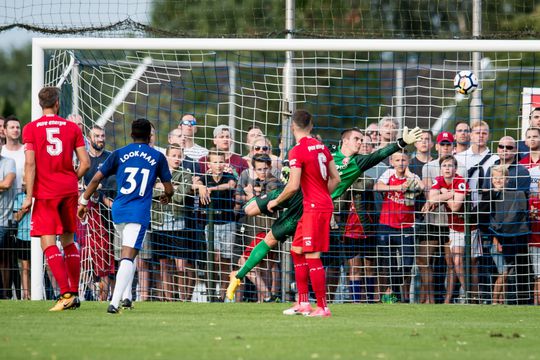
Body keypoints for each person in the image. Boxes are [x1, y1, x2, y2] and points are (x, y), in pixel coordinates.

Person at [225, 126, 422, 303]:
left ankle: (301, 299)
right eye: (357, 139)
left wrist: (402, 142)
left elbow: (380, 154)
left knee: (285, 246)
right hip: (294, 192)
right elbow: (302, 161)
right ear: (345, 141)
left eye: (362, 140)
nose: (361, 143)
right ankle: (309, 302)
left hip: (310, 206)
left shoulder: (358, 162)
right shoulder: (327, 153)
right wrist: (287, 169)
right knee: (249, 210)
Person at [78, 118, 173, 314]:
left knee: (128, 253)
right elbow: (169, 188)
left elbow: (96, 178)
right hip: (138, 213)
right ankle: (114, 302)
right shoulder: (157, 156)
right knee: (128, 257)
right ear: (149, 136)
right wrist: (167, 196)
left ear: (131, 134)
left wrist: (84, 201)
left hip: (118, 210)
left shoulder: (118, 153)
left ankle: (128, 296)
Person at [265, 110, 340, 317]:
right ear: (311, 125)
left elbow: (292, 186)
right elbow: (336, 179)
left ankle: (323, 307)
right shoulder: (322, 148)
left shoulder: (297, 151)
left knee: (312, 256)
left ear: (292, 127)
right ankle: (303, 303)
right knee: (297, 250)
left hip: (315, 208)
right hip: (315, 205)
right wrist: (323, 196)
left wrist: (275, 201)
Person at [21, 86, 90, 311]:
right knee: (69, 242)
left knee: (48, 243)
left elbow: (30, 164)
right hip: (69, 191)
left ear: (40, 104)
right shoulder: (72, 128)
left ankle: (66, 294)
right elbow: (86, 163)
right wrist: (72, 178)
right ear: (58, 103)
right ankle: (75, 293)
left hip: (46, 193)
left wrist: (29, 197)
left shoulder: (31, 129)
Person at [427, 155, 478, 304]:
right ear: (441, 168)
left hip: (470, 227)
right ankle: (468, 294)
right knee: (457, 261)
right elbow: (432, 198)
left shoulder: (460, 181)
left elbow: (455, 207)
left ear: (455, 168)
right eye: (444, 166)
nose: (447, 168)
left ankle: (475, 297)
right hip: (454, 228)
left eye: (450, 165)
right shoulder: (439, 180)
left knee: (473, 264)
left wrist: (442, 193)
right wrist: (449, 192)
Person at [374, 151, 423, 303]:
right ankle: (395, 294)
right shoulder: (388, 173)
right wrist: (397, 187)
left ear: (408, 161)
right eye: (397, 160)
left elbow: (421, 187)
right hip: (386, 225)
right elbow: (377, 187)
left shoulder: (413, 177)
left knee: (408, 263)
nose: (401, 163)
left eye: (403, 160)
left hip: (406, 226)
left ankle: (394, 290)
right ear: (392, 162)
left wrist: (408, 175)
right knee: (389, 263)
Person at [480, 165, 530, 304]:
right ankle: (495, 301)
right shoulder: (487, 195)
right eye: (495, 177)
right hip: (494, 240)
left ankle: (501, 300)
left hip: (511, 239)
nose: (498, 180)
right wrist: (495, 239)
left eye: (501, 177)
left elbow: (517, 217)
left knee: (507, 271)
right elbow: (482, 220)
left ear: (507, 179)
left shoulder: (516, 195)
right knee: (503, 271)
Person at [193, 148, 237, 300]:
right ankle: (210, 289)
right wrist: (200, 187)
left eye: (220, 161)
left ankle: (222, 295)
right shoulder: (204, 178)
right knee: (213, 258)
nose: (218, 165)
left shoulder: (228, 176)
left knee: (226, 260)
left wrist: (212, 188)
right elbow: (194, 183)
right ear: (209, 163)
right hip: (210, 225)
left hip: (227, 222)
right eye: (215, 162)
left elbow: (231, 185)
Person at [150, 145, 193, 301]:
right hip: (158, 225)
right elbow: (150, 192)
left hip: (178, 225)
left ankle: (182, 299)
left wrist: (162, 188)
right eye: (173, 155)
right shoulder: (156, 173)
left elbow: (180, 197)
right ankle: (169, 299)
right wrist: (171, 188)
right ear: (167, 157)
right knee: (164, 266)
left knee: (181, 266)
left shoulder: (185, 175)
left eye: (179, 155)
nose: (177, 158)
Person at [79, 125, 116, 301]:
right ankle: (88, 291)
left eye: (103, 135)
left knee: (107, 261)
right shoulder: (83, 160)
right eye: (97, 136)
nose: (101, 139)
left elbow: (112, 184)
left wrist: (98, 191)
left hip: (107, 216)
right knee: (85, 257)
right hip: (86, 216)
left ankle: (106, 298)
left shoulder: (110, 158)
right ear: (89, 138)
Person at [0, 152, 15, 299]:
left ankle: (5, 295)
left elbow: (7, 183)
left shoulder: (8, 162)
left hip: (3, 220)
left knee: (5, 259)